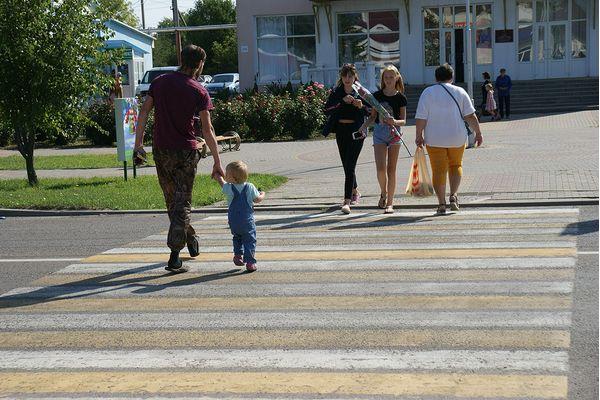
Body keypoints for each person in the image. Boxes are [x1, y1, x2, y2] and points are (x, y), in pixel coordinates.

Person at [134, 44, 224, 273]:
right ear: (200, 64)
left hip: (161, 150)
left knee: (173, 202)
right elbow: (207, 129)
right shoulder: (198, 90)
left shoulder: (160, 82)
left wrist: (138, 145)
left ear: (182, 59)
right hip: (185, 152)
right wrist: (217, 161)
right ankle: (175, 255)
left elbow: (144, 112)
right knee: (181, 203)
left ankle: (190, 238)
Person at [415, 63, 483, 215]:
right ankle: (453, 196)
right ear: (452, 77)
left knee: (438, 170)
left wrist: (418, 135)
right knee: (456, 165)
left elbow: (421, 117)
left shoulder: (428, 92)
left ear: (436, 77)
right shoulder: (460, 91)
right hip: (457, 137)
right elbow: (470, 116)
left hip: (434, 138)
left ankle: (441, 204)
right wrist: (478, 133)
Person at [360, 65, 407, 214]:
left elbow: (404, 120)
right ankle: (383, 193)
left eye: (391, 77)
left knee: (391, 169)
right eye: (386, 77)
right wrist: (362, 127)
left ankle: (390, 203)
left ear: (397, 78)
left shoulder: (401, 97)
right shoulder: (377, 96)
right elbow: (373, 116)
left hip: (394, 134)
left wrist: (395, 122)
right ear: (383, 79)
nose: (388, 80)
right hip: (379, 133)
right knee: (380, 169)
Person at [323, 63, 367, 214]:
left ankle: (347, 201)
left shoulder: (360, 91)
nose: (347, 79)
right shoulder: (337, 92)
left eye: (350, 76)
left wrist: (360, 105)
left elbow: (371, 111)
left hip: (357, 132)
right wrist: (342, 101)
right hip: (341, 131)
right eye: (345, 76)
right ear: (341, 77)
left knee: (350, 166)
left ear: (355, 77)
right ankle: (355, 190)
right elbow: (327, 109)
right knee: (346, 165)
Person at [213, 161, 265, 272]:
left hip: (233, 221)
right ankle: (250, 262)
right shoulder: (249, 187)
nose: (225, 175)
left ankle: (237, 256)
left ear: (233, 178)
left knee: (237, 237)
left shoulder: (229, 188)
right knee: (250, 240)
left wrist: (218, 177)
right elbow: (257, 200)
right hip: (247, 221)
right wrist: (262, 194)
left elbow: (222, 183)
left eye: (226, 173)